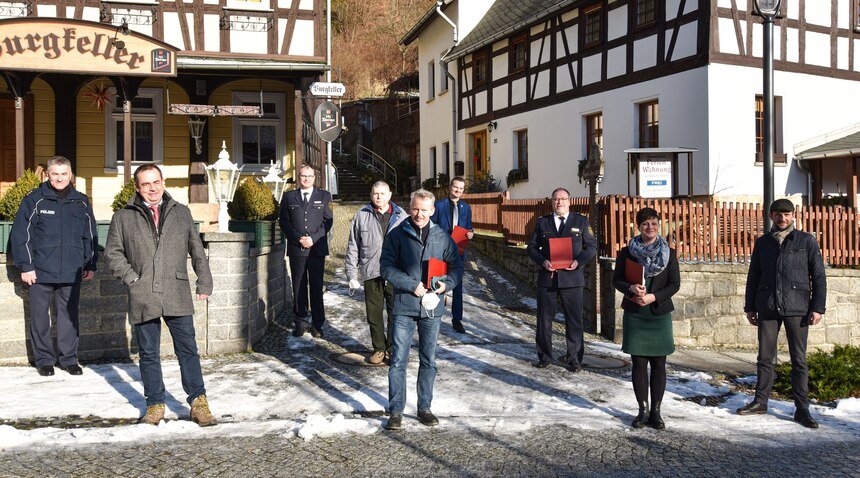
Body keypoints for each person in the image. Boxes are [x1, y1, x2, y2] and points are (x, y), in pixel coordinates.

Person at [104, 164, 217, 427]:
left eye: (156, 182)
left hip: (176, 291)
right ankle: (154, 405)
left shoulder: (182, 213)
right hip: (143, 294)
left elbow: (196, 250)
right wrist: (132, 278)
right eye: (146, 184)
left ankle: (198, 403)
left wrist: (205, 281)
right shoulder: (123, 217)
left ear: (163, 182)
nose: (152, 188)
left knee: (188, 350)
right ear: (137, 187)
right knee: (149, 353)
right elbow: (113, 253)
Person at [736, 198, 826, 429]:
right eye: (778, 214)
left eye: (786, 214)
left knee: (799, 360)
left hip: (798, 308)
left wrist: (817, 307)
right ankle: (760, 401)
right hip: (767, 306)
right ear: (771, 216)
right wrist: (750, 306)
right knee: (764, 358)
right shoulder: (763, 242)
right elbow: (753, 276)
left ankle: (802, 409)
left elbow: (818, 276)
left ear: (793, 215)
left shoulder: (806, 241)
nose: (782, 218)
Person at [380, 189, 463, 430]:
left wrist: (446, 284)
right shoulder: (397, 235)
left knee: (429, 359)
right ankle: (395, 410)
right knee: (398, 360)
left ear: (432, 211)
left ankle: (424, 407)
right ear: (410, 206)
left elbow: (456, 268)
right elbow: (386, 267)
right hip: (405, 305)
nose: (419, 214)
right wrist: (409, 284)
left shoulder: (442, 237)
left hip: (431, 309)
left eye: (424, 210)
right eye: (415, 209)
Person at [11, 156, 98, 377]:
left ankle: (69, 359)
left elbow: (90, 235)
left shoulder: (81, 201)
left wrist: (90, 263)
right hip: (40, 270)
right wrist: (26, 266)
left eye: (64, 173)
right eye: (55, 174)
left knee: (69, 317)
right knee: (40, 317)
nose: (59, 178)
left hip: (72, 269)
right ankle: (44, 360)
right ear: (47, 175)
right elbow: (22, 235)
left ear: (71, 175)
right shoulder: (34, 200)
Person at [612, 208, 680, 430]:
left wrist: (653, 296)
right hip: (635, 312)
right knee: (639, 364)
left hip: (658, 313)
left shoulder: (669, 253)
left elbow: (674, 285)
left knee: (659, 364)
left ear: (659, 226)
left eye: (653, 224)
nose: (649, 228)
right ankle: (642, 410)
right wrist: (631, 288)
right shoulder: (627, 253)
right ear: (638, 227)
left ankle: (657, 413)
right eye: (645, 224)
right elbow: (617, 280)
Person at [526, 187, 597, 372]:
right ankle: (544, 357)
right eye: (556, 199)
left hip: (572, 279)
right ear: (552, 202)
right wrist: (543, 262)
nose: (560, 202)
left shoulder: (581, 221)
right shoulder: (543, 223)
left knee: (574, 321)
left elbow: (591, 247)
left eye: (563, 199)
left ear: (569, 201)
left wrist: (578, 262)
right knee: (544, 320)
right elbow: (531, 248)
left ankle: (574, 359)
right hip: (548, 279)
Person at [345, 181, 407, 365]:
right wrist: (351, 274)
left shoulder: (401, 215)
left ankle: (392, 348)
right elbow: (353, 245)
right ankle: (379, 349)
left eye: (382, 193)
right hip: (371, 271)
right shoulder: (362, 215)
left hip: (396, 273)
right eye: (375, 193)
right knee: (374, 314)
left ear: (389, 195)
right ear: (371, 195)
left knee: (396, 313)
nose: (379, 197)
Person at [279, 164, 333, 338]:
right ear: (299, 177)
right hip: (297, 249)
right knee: (299, 285)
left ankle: (317, 324)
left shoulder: (324, 196)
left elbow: (328, 221)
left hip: (316, 249)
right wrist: (298, 238)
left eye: (310, 176)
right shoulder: (288, 197)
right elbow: (284, 222)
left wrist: (313, 238)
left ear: (314, 178)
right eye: (303, 176)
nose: (307, 179)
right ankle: (301, 322)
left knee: (316, 287)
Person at [430, 176, 473, 333]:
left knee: (457, 287)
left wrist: (470, 234)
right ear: (450, 187)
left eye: (461, 189)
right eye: (456, 187)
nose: (458, 191)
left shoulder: (466, 208)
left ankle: (457, 320)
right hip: (440, 251)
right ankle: (434, 317)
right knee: (436, 284)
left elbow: (469, 227)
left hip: (458, 253)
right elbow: (432, 225)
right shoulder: (439, 205)